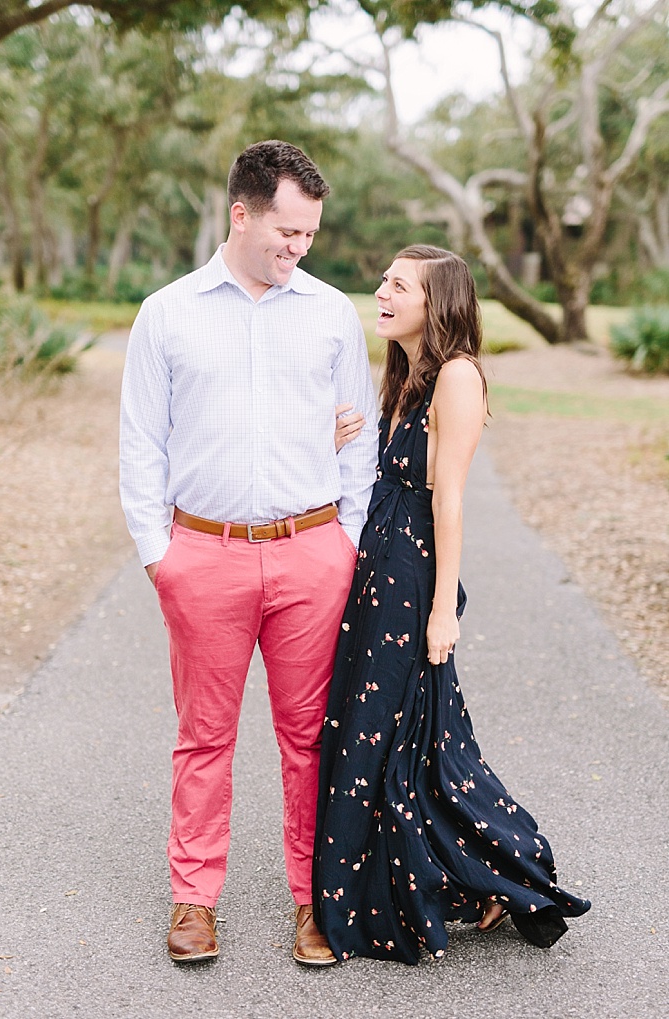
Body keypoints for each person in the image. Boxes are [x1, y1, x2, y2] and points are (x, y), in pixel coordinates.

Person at [119, 140, 378, 965]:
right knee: (204, 737)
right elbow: (140, 444)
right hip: (204, 555)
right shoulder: (168, 312)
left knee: (309, 738)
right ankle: (194, 899)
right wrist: (160, 555)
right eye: (286, 231)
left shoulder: (330, 312)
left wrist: (344, 540)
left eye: (308, 234)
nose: (298, 248)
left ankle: (316, 899)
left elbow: (358, 438)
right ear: (241, 212)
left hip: (311, 554)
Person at [313, 245, 591, 964]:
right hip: (379, 567)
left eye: (397, 285)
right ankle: (460, 882)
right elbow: (387, 472)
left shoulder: (458, 377)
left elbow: (451, 498)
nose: (379, 291)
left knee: (409, 732)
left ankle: (505, 871)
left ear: (435, 303)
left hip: (411, 576)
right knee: (394, 732)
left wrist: (443, 610)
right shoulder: (408, 375)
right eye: (382, 279)